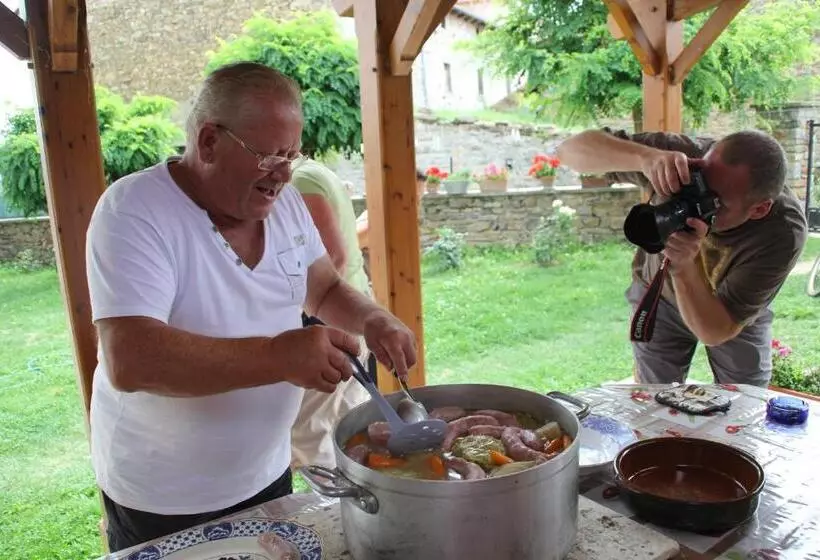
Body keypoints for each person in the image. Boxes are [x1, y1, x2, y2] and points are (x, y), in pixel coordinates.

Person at [85, 62, 417, 552]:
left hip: (266, 471)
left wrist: (373, 319)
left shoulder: (284, 203)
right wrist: (280, 356)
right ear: (208, 142)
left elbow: (322, 287)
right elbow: (131, 359)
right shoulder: (134, 210)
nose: (283, 174)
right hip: (166, 496)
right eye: (267, 155)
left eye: (291, 154)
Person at [557, 128, 807, 387]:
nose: (695, 201)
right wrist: (646, 158)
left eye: (715, 202)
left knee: (745, 400)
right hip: (662, 297)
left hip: (730, 311)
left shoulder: (782, 232)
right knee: (653, 396)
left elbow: (715, 330)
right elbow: (569, 151)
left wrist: (684, 265)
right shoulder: (685, 162)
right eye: (698, 185)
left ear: (759, 209)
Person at [289, 158, 370, 469]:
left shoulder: (301, 181)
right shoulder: (319, 172)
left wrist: (301, 314)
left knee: (310, 429)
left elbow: (333, 255)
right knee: (350, 421)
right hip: (353, 310)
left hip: (332, 319)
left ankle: (329, 507)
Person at [357, 169, 427, 279]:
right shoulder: (372, 224)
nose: (417, 206)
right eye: (413, 199)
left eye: (419, 199)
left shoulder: (397, 220)